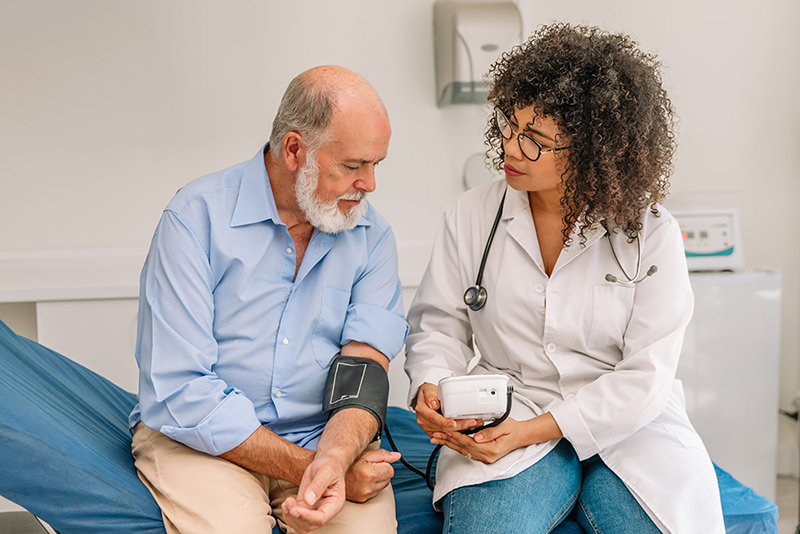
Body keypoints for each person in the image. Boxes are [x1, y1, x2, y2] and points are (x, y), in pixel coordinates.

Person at [405, 24, 725, 533]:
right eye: (509, 126)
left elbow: (646, 374)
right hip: (507, 405)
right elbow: (438, 326)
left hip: (628, 426)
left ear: (594, 151)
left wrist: (534, 432)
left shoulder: (652, 233)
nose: (510, 147)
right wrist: (430, 384)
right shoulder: (470, 216)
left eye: (534, 141)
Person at [129, 65, 409, 534]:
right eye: (353, 166)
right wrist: (315, 470)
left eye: (376, 164)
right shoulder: (195, 218)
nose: (370, 185)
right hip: (198, 442)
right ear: (295, 150)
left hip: (322, 440)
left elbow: (364, 370)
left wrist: (336, 457)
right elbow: (181, 390)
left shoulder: (372, 236)